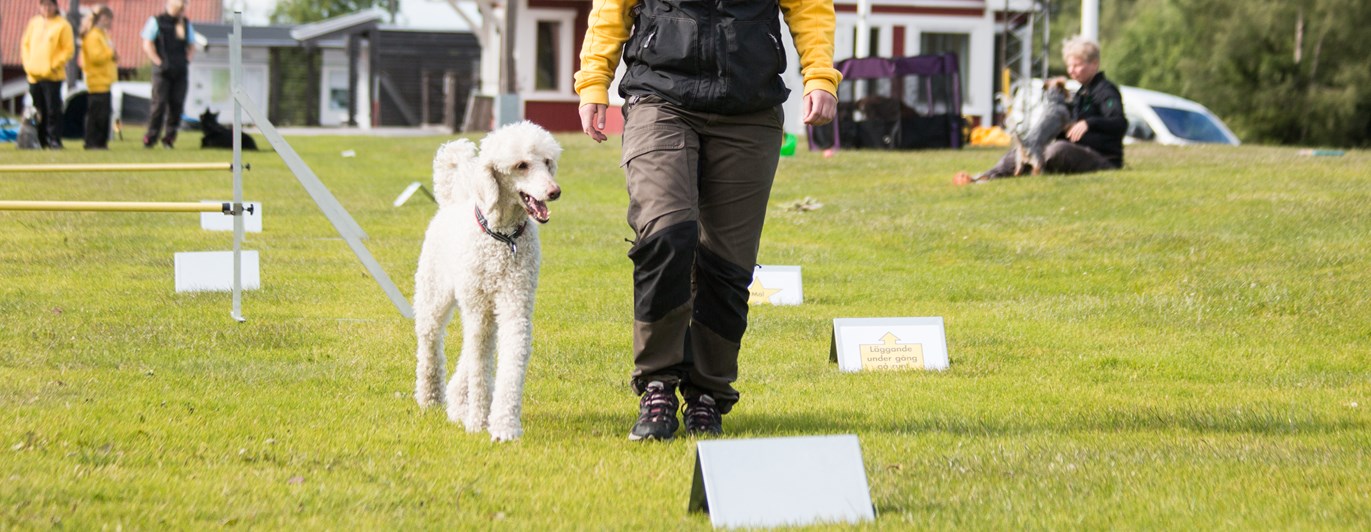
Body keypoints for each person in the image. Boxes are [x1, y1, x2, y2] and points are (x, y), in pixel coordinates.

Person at [575, 0, 841, 440]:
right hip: (660, 99)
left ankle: (707, 395)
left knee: (727, 265)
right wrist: (593, 82)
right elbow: (611, 8)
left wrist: (820, 76)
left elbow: (811, 7)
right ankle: (658, 384)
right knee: (666, 233)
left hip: (750, 109)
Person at [954, 36, 1126, 185]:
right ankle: (985, 178)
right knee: (1025, 148)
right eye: (1069, 66)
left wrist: (1089, 123)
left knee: (1057, 150)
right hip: (1078, 151)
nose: (1071, 71)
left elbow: (1120, 123)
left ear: (1094, 64)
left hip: (1103, 158)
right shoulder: (1080, 93)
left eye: (1077, 65)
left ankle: (1033, 169)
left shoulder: (1105, 91)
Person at [20, 0, 75, 150]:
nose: (47, 8)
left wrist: (53, 65)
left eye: (50, 5)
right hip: (34, 75)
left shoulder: (63, 25)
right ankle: (39, 139)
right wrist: (28, 64)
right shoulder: (34, 23)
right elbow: (25, 44)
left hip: (52, 75)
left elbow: (68, 49)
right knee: (37, 109)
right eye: (43, 5)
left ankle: (54, 139)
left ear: (56, 6)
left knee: (52, 109)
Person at [141, 0, 195, 149]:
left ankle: (169, 138)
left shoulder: (185, 23)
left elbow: (192, 45)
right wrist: (158, 61)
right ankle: (151, 137)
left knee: (177, 105)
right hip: (162, 72)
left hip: (180, 71)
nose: (181, 11)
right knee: (159, 104)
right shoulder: (156, 21)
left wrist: (186, 60)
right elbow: (147, 43)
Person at [80, 5, 117, 150]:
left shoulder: (103, 35)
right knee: (96, 115)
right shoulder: (93, 36)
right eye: (108, 18)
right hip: (96, 81)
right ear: (101, 18)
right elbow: (96, 57)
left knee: (104, 114)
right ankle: (92, 142)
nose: (109, 22)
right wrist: (110, 53)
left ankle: (101, 142)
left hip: (105, 81)